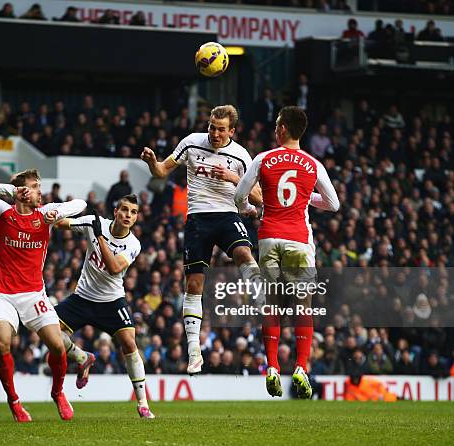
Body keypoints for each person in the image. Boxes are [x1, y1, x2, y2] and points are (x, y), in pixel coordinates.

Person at [141, 104, 262, 375]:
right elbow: (161, 171)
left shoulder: (242, 156)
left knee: (244, 253)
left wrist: (234, 178)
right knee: (194, 284)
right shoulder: (191, 143)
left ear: (232, 130)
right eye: (211, 126)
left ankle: (261, 297)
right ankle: (194, 350)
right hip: (198, 218)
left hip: (228, 214)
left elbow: (260, 197)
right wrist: (151, 161)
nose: (214, 134)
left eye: (221, 129)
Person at [234, 106, 339, 399]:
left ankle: (271, 367)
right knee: (302, 305)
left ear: (282, 129)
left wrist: (249, 208)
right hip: (299, 239)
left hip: (269, 237)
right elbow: (334, 204)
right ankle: (301, 367)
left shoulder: (263, 159)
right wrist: (306, 199)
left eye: (277, 124)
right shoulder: (313, 165)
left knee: (273, 305)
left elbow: (239, 195)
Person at [0, 169, 86, 422]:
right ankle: (14, 402)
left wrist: (57, 213)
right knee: (1, 343)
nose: (39, 191)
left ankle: (58, 393)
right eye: (34, 186)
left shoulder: (44, 213)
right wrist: (10, 191)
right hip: (3, 294)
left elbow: (81, 204)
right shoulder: (2, 212)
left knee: (57, 345)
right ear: (22, 192)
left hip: (34, 294)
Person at [53, 195, 155, 418]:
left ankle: (143, 403)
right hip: (82, 297)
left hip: (111, 301)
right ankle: (82, 357)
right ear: (116, 211)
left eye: (133, 212)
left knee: (129, 342)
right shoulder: (93, 222)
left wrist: (98, 235)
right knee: (49, 331)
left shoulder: (133, 244)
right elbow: (60, 224)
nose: (128, 215)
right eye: (125, 210)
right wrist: (66, 212)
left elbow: (114, 268)